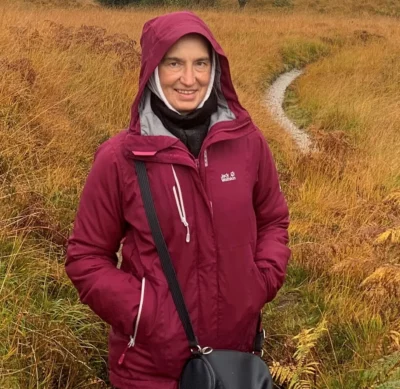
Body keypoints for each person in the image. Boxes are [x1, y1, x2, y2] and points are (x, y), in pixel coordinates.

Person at [65, 11, 290, 389]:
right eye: (174, 63)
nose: (189, 78)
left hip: (235, 362)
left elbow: (272, 220)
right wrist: (146, 314)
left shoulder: (248, 144)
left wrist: (260, 281)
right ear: (153, 68)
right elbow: (85, 258)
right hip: (149, 371)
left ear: (215, 68)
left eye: (201, 63)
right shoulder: (120, 158)